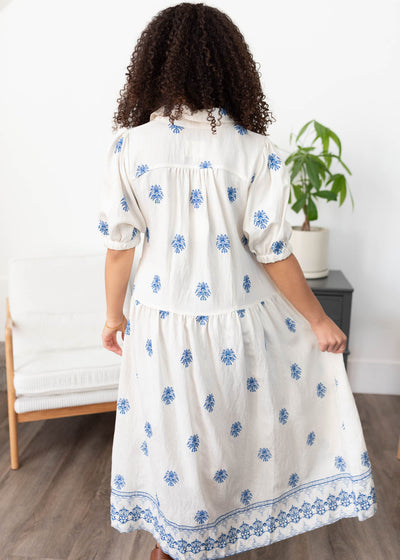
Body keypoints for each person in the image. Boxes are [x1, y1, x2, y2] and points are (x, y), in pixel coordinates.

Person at [97, 3, 377, 559]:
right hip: (237, 318)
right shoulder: (256, 151)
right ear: (232, 67)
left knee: (172, 437)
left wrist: (112, 317)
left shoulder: (130, 147)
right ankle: (217, 535)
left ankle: (172, 541)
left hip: (158, 321)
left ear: (151, 66)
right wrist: (317, 320)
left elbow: (118, 249)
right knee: (233, 429)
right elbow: (273, 251)